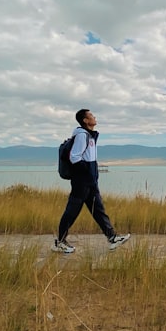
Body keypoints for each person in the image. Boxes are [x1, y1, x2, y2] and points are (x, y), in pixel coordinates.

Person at [54, 109, 131, 254]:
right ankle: (60, 242)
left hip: (90, 181)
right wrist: (87, 172)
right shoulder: (82, 136)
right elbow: (75, 157)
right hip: (82, 181)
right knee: (72, 211)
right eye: (91, 116)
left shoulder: (89, 136)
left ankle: (112, 238)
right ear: (85, 120)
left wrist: (92, 175)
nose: (94, 117)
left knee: (98, 210)